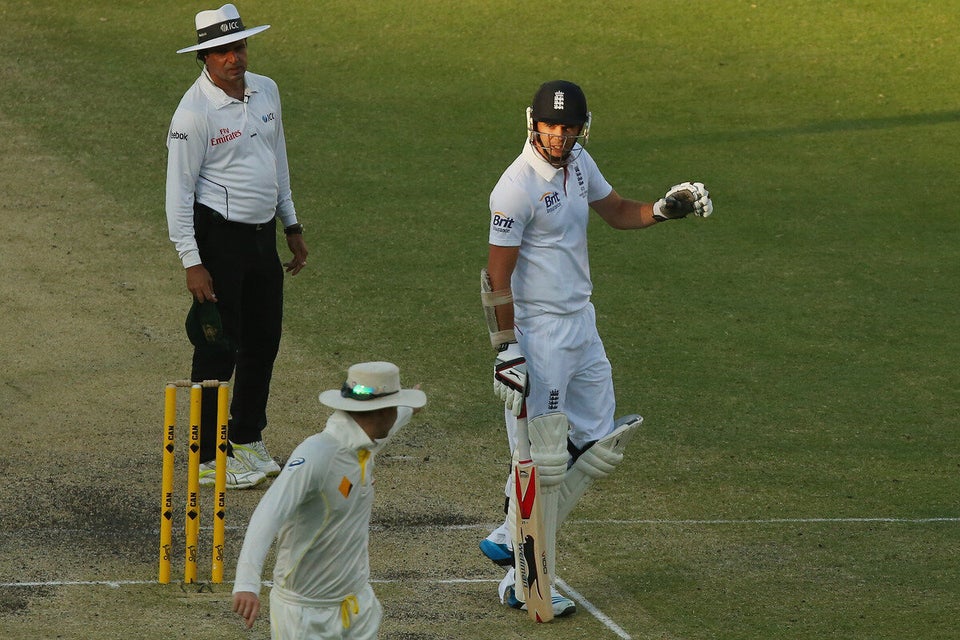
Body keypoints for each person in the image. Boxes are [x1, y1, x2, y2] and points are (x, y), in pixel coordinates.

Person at [479, 80, 714, 616]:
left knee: (598, 439)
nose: (559, 136)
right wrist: (507, 350)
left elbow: (615, 210)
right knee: (545, 458)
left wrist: (661, 208)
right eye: (550, 126)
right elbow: (496, 278)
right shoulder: (514, 188)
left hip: (581, 322)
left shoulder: (580, 162)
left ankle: (509, 533)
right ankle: (524, 579)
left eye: (568, 127)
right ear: (532, 123)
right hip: (539, 335)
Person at [166, 4, 309, 489]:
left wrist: (291, 223)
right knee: (216, 346)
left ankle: (246, 440)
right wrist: (193, 260)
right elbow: (178, 192)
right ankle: (207, 456)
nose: (234, 57)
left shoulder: (266, 90)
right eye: (223, 50)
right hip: (217, 238)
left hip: (262, 235)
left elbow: (277, 158)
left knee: (263, 340)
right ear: (204, 56)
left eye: (240, 46)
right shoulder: (193, 113)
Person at [231, 362, 426, 638]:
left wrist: (409, 408)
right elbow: (268, 512)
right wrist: (247, 584)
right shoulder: (317, 454)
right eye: (395, 406)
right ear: (381, 411)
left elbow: (392, 424)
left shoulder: (366, 438)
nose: (397, 412)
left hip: (356, 604)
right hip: (304, 616)